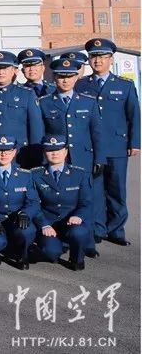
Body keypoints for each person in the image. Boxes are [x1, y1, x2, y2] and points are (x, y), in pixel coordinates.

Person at [74, 38, 140, 247]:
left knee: (116, 189)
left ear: (111, 59)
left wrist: (135, 142)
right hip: (91, 147)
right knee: (95, 189)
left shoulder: (124, 85)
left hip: (116, 146)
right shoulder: (81, 84)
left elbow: (134, 115)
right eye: (94, 57)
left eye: (102, 57)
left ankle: (116, 230)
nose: (98, 61)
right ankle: (98, 228)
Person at [41, 56, 104, 242]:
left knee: (88, 197)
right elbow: (41, 134)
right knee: (58, 196)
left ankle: (88, 239)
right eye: (61, 76)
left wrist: (100, 158)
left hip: (83, 158)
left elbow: (97, 133)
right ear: (54, 77)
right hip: (57, 157)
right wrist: (44, 159)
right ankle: (60, 236)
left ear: (76, 77)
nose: (65, 80)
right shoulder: (44, 102)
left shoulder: (88, 101)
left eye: (69, 76)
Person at [0, 136, 40, 269]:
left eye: (8, 150)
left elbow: (33, 201)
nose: (4, 154)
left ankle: (23, 254)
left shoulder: (25, 175)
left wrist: (26, 213)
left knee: (27, 232)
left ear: (14, 152)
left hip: (18, 218)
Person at [32, 136, 94, 270]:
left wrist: (78, 216)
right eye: (50, 150)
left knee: (79, 232)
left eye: (58, 150)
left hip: (71, 223)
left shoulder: (79, 174)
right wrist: (44, 224)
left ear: (65, 152)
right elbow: (33, 204)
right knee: (51, 253)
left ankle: (77, 259)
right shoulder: (35, 175)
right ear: (44, 152)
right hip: (49, 225)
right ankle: (54, 246)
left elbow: (86, 202)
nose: (54, 153)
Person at [0, 51, 43, 168]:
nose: (1, 72)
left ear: (13, 70)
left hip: (19, 155)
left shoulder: (26, 94)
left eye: (5, 68)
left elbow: (35, 127)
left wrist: (35, 155)